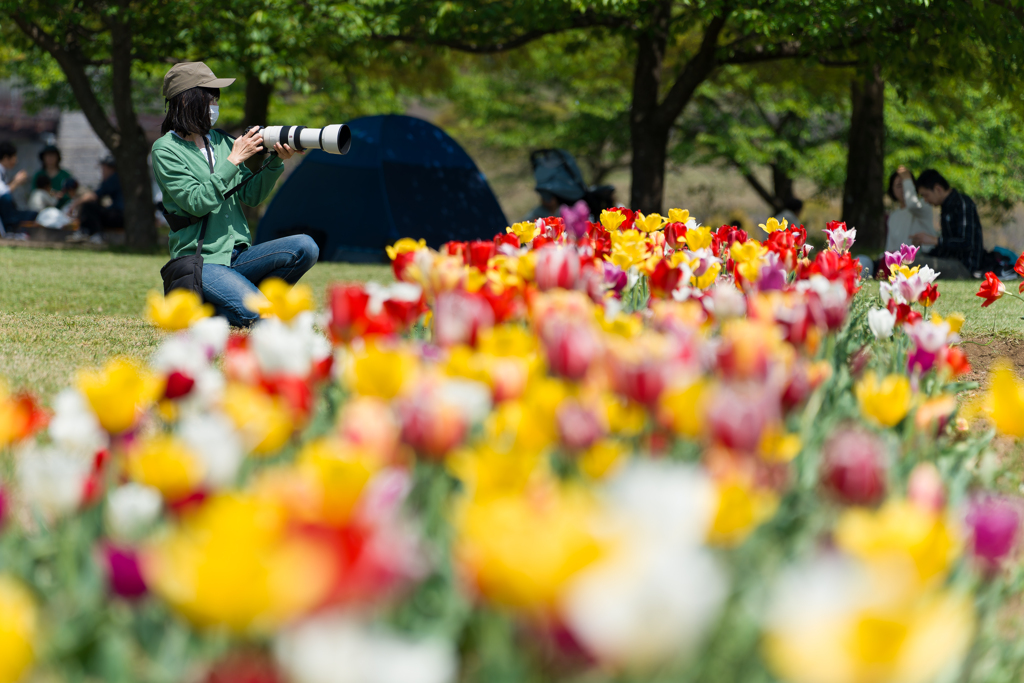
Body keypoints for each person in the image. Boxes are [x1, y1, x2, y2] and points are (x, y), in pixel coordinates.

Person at [152, 61, 317, 327]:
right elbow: (195, 203)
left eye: (215, 100)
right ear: (185, 101)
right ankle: (213, 313)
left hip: (240, 256)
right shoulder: (166, 149)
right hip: (201, 262)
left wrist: (276, 161)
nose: (214, 106)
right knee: (262, 317)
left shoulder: (221, 141)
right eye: (209, 99)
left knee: (305, 246)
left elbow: (250, 196)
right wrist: (233, 160)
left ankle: (241, 297)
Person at [912, 169, 983, 278]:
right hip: (949, 262)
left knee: (912, 264)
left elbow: (967, 243)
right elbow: (946, 248)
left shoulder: (963, 203)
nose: (925, 200)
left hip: (964, 267)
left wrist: (935, 240)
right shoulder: (946, 208)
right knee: (908, 260)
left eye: (926, 195)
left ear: (937, 189)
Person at [68, 155, 123, 244]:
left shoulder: (114, 178)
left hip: (120, 216)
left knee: (89, 205)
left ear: (109, 168)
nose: (102, 172)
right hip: (119, 214)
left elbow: (93, 195)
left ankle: (92, 234)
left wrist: (75, 204)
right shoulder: (118, 178)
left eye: (103, 168)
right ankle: (88, 232)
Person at [885, 166, 934, 254]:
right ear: (892, 189)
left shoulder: (923, 205)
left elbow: (912, 204)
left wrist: (907, 178)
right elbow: (890, 247)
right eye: (899, 185)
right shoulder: (893, 216)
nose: (904, 188)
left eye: (906, 184)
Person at [0, 140, 38, 229]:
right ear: (6, 158)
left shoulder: (4, 172)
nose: (16, 161)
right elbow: (2, 193)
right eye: (14, 157)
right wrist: (17, 181)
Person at [32, 144, 74, 209]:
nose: (50, 158)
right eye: (47, 156)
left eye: (53, 156)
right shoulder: (38, 175)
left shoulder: (65, 175)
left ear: (58, 157)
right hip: (42, 210)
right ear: (43, 158)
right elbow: (34, 192)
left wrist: (60, 195)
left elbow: (72, 193)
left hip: (63, 208)